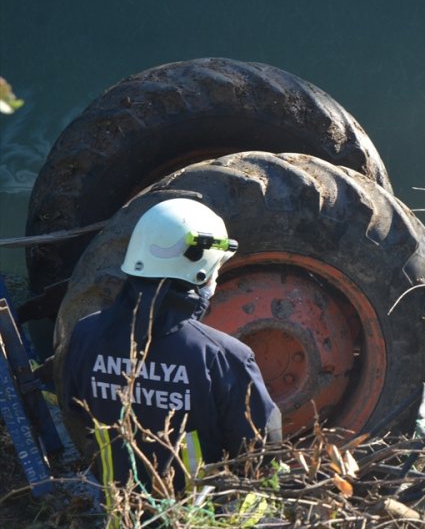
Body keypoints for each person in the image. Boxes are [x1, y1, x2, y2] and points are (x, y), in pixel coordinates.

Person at [60, 198, 280, 500]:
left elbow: (76, 412)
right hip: (195, 514)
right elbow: (261, 450)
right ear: (200, 272)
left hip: (121, 510)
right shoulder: (224, 356)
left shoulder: (85, 334)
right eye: (216, 268)